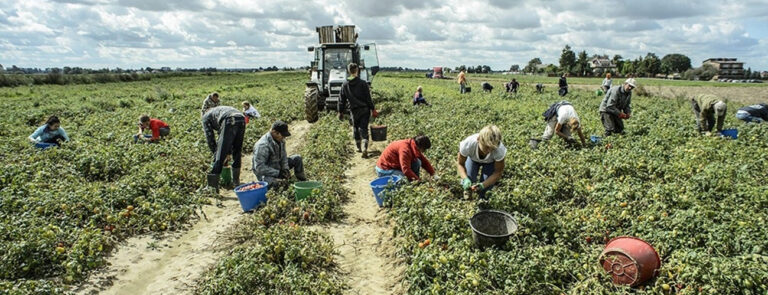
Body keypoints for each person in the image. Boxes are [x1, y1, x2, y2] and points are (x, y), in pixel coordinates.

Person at [456, 125, 506, 199]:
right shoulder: (468, 144)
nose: (489, 151)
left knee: (487, 185)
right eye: (486, 147)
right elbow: (460, 164)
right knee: (469, 177)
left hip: (490, 163)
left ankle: (482, 200)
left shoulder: (499, 150)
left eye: (492, 148)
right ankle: (468, 197)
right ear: (479, 139)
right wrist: (465, 179)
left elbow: (498, 172)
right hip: (473, 159)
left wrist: (483, 185)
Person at [339, 63, 376, 158]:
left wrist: (340, 111)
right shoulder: (363, 83)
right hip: (364, 109)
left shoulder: (345, 84)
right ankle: (364, 147)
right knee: (363, 128)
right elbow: (368, 98)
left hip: (354, 110)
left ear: (348, 71)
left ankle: (358, 147)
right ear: (357, 71)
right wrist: (373, 109)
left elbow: (341, 100)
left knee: (355, 128)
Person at [202, 106, 246, 186]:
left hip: (229, 119)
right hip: (241, 118)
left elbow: (210, 138)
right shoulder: (218, 112)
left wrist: (216, 154)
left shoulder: (205, 117)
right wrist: (228, 153)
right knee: (237, 150)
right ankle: (236, 181)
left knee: (220, 153)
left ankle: (213, 187)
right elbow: (226, 137)